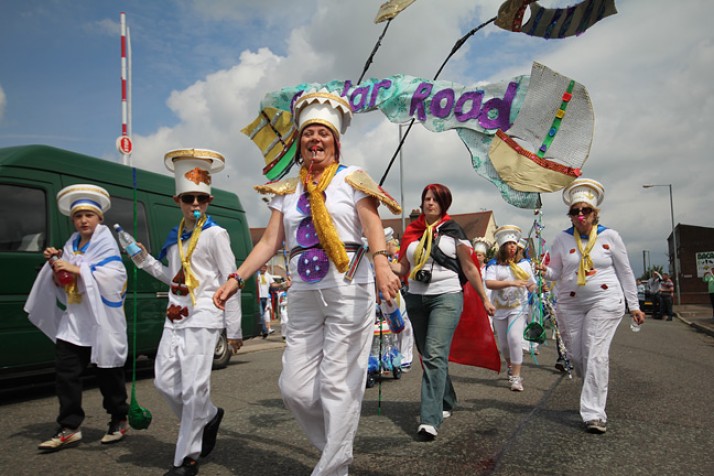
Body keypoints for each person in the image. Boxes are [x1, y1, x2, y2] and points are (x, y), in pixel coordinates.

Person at [213, 89, 401, 476]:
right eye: (308, 133)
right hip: (302, 290)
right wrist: (237, 277)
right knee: (295, 389)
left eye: (323, 134)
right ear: (299, 142)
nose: (315, 139)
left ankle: (331, 467)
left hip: (349, 284)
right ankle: (336, 453)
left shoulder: (353, 178)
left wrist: (382, 264)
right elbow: (269, 242)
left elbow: (372, 225)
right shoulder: (287, 189)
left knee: (337, 384)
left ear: (336, 142)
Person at [137, 148, 243, 476]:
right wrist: (142, 259)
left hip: (207, 317)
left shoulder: (216, 235)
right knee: (166, 383)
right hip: (176, 315)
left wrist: (234, 327)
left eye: (201, 198)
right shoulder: (173, 239)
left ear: (208, 201)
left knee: (195, 387)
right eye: (188, 199)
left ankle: (187, 458)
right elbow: (171, 276)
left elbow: (232, 280)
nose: (195, 204)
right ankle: (208, 415)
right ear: (177, 201)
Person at [25, 184, 129, 451]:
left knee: (108, 375)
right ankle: (69, 426)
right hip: (74, 321)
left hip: (101, 320)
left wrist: (78, 268)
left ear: (100, 218)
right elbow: (65, 281)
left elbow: (116, 277)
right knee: (66, 374)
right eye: (78, 216)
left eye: (89, 215)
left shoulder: (107, 243)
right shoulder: (71, 245)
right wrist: (57, 264)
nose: (83, 220)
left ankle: (119, 418)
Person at [536, 178, 645, 434]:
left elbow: (626, 272)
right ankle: (593, 389)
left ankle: (594, 413)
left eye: (586, 210)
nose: (581, 215)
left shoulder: (611, 237)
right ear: (570, 215)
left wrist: (635, 306)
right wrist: (544, 270)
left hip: (605, 301)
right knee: (577, 356)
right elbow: (555, 273)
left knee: (595, 352)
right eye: (576, 211)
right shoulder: (562, 240)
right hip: (570, 304)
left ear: (595, 213)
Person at [390, 183, 495, 440]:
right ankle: (446, 398)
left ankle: (429, 419)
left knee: (435, 353)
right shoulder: (411, 233)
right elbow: (403, 268)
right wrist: (379, 257)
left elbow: (469, 268)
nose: (429, 203)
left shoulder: (453, 231)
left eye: (435, 200)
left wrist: (484, 299)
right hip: (416, 297)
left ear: (444, 204)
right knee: (428, 354)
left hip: (446, 296)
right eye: (426, 198)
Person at [484, 225, 536, 392]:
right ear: (502, 247)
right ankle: (510, 365)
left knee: (514, 339)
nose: (512, 246)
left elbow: (531, 282)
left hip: (518, 307)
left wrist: (534, 287)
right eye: (508, 244)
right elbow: (489, 283)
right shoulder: (494, 265)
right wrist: (511, 282)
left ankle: (516, 377)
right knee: (504, 345)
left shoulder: (525, 265)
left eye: (514, 243)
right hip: (499, 308)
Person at [386, 235, 414, 370]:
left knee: (404, 325)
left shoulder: (398, 259)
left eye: (391, 244)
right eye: (391, 244)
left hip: (399, 293)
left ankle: (405, 357)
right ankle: (394, 358)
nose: (393, 247)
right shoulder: (380, 259)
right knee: (391, 329)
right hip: (385, 296)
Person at [257, 264, 278, 337]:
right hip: (259, 297)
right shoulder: (257, 274)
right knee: (261, 314)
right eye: (262, 267)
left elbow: (273, 284)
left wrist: (281, 285)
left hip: (265, 297)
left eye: (265, 267)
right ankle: (265, 330)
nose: (263, 269)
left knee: (264, 314)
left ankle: (262, 330)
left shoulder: (268, 275)